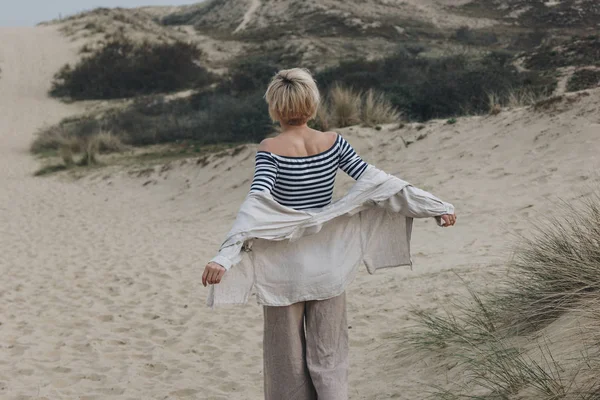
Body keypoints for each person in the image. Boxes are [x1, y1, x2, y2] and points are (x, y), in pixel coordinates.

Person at [202, 68, 456, 400]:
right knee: (330, 356)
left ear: (275, 108)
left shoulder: (270, 148)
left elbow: (256, 204)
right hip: (329, 265)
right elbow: (380, 183)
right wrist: (436, 206)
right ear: (313, 104)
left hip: (284, 270)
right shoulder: (333, 142)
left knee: (285, 363)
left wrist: (224, 256)